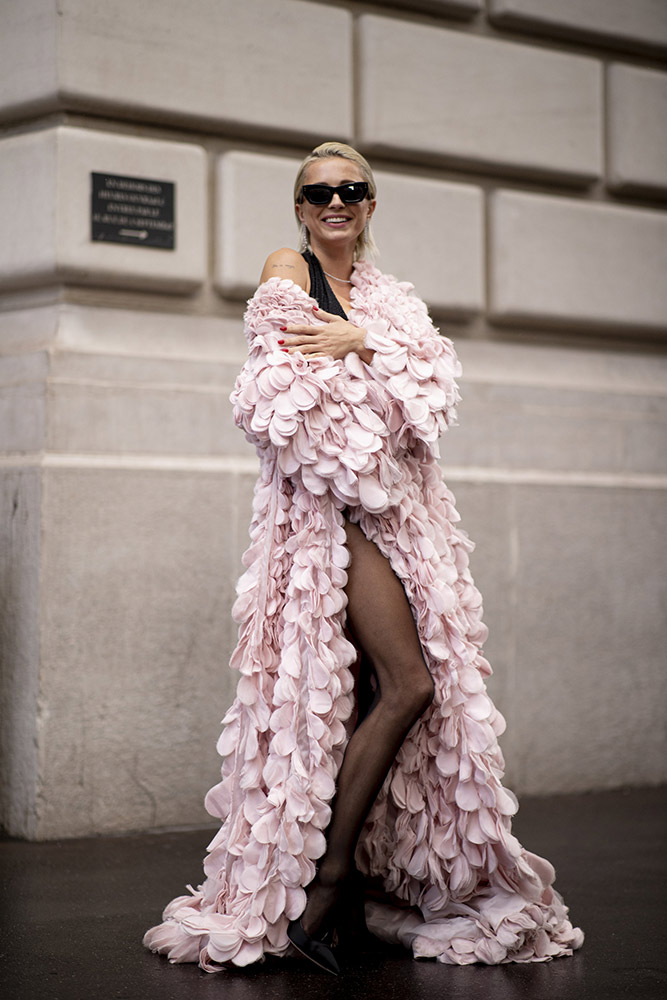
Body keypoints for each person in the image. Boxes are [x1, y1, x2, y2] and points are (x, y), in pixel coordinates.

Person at [143, 141, 584, 975]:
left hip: (402, 523)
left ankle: (354, 877)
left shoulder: (389, 299)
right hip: (331, 520)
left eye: (350, 190)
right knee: (409, 683)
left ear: (371, 204)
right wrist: (365, 364)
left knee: (378, 693)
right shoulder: (290, 267)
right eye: (318, 193)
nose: (334, 203)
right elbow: (285, 401)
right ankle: (327, 878)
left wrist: (362, 345)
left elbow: (434, 397)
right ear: (301, 209)